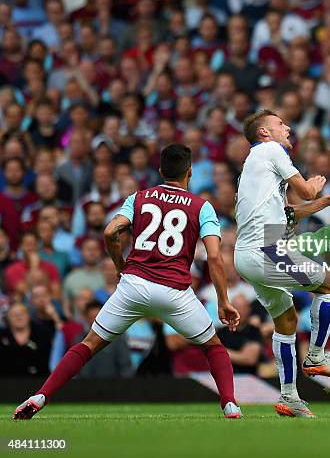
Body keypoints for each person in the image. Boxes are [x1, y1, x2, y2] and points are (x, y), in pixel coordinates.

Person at [13, 144, 242, 420]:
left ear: (160, 171)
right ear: (190, 172)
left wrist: (120, 265)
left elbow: (111, 231)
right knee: (213, 346)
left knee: (90, 344)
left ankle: (40, 396)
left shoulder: (139, 197)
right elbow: (215, 259)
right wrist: (223, 301)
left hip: (134, 286)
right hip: (175, 293)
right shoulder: (202, 207)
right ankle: (229, 404)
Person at [234, 109, 330, 418]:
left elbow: (289, 214)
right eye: (279, 124)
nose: (287, 127)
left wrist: (326, 202)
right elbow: (305, 190)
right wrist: (315, 188)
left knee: (287, 321)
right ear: (265, 133)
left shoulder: (255, 169)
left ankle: (290, 399)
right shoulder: (270, 150)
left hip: (246, 254)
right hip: (266, 247)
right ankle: (315, 356)